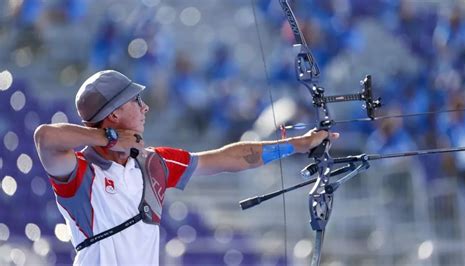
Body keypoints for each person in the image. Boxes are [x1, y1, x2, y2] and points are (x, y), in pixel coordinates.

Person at [33, 70, 339, 265]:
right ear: (113, 114)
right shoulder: (81, 171)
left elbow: (229, 158)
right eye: (136, 101)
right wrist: (112, 139)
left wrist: (297, 145)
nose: (145, 107)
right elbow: (46, 137)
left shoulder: (153, 162)